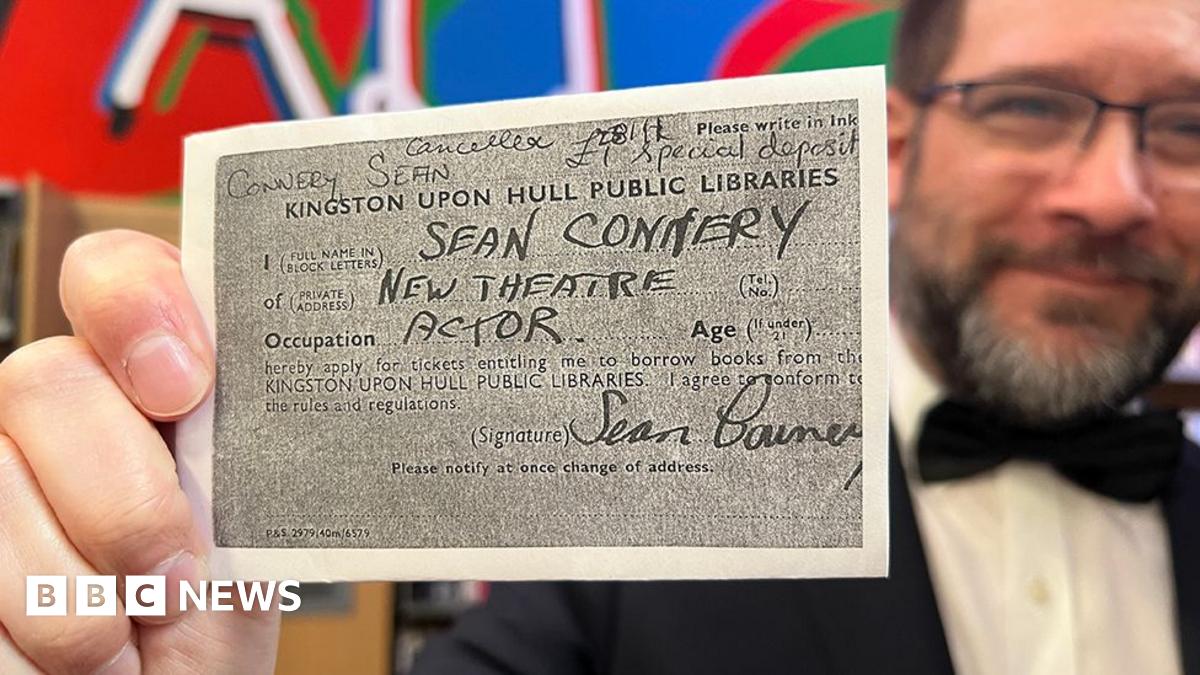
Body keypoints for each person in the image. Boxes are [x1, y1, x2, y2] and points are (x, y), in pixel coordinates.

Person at [1, 0, 1199, 672]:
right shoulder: (629, 541)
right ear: (893, 144)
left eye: (1189, 125)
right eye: (1032, 106)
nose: (1112, 194)